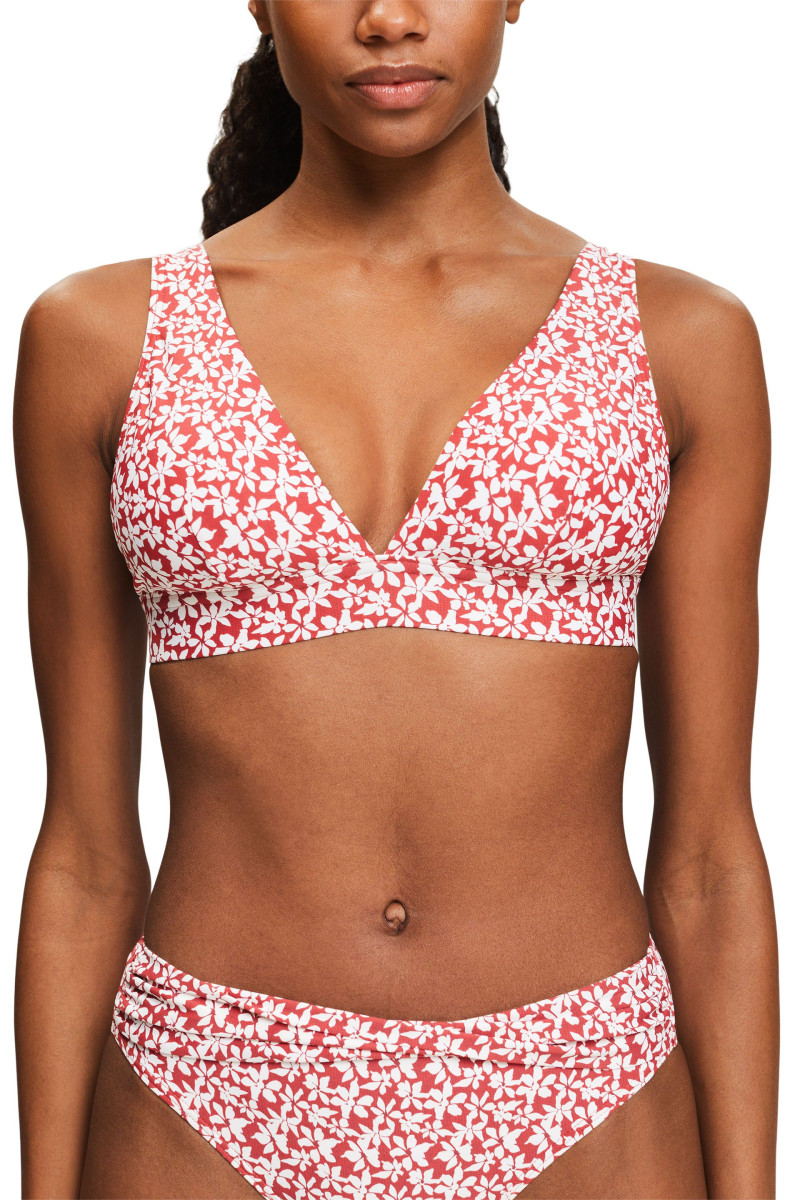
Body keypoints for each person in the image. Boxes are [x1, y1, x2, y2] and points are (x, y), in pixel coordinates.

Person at [13, 2, 778, 1198]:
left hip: (580, 1091)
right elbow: (85, 856)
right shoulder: (100, 337)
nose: (387, 19)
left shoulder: (678, 340)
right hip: (206, 1093)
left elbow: (707, 858)